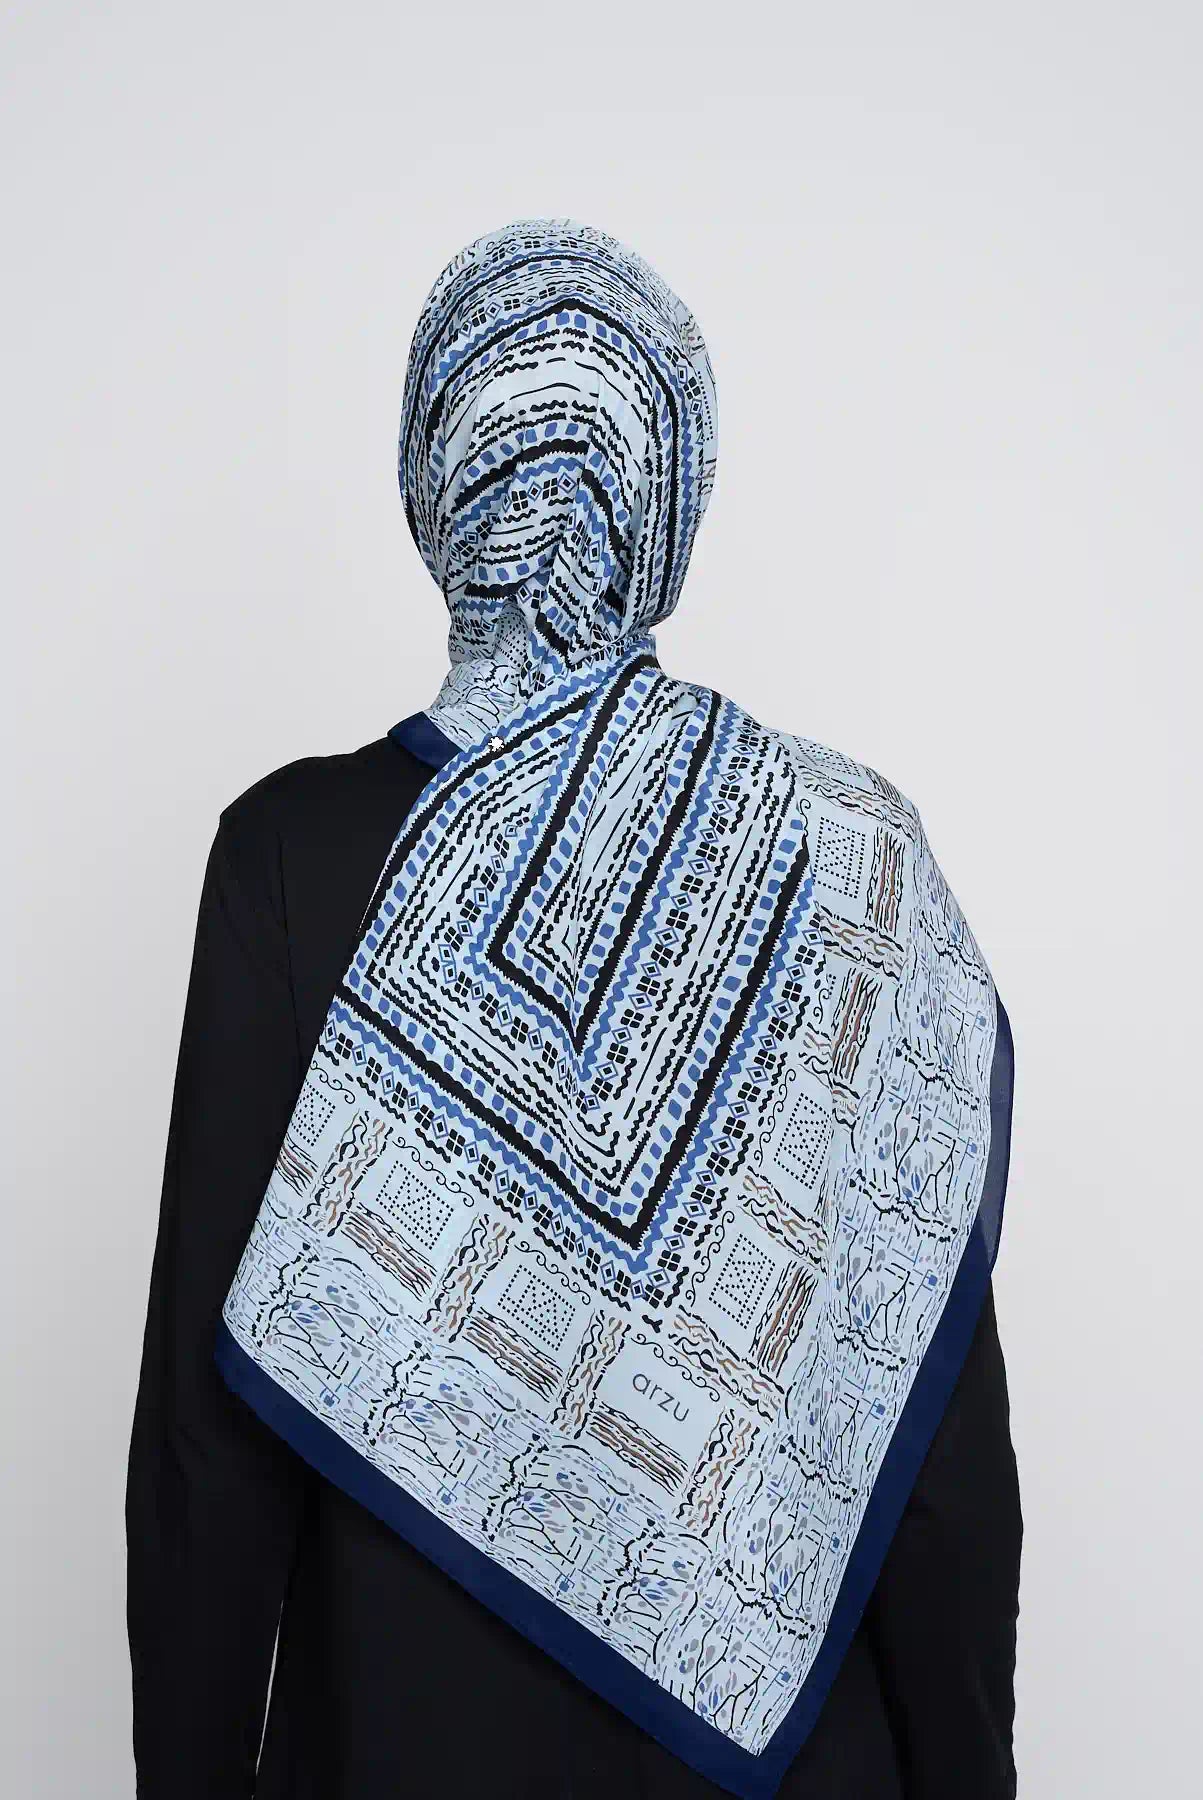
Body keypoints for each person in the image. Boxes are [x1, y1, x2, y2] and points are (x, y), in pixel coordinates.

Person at [126, 218, 1022, 1800]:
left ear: (433, 486)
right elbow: (934, 1450)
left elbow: (210, 1452)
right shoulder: (847, 858)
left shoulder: (290, 852)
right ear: (672, 506)